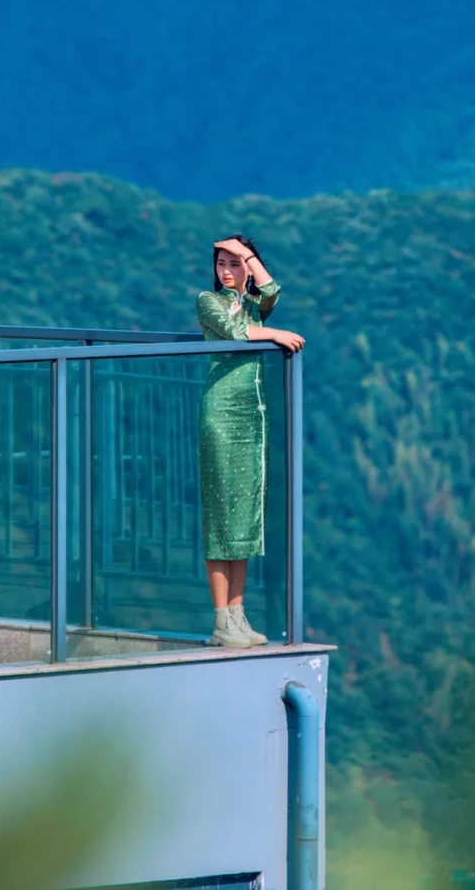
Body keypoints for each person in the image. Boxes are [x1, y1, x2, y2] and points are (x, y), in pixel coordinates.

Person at [197, 235, 305, 648]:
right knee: (221, 514)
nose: (226, 269)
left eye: (234, 263)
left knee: (245, 514)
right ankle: (221, 620)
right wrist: (274, 333)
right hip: (221, 415)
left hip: (252, 415)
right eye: (221, 262)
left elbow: (272, 290)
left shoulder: (253, 303)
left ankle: (239, 616)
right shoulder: (209, 301)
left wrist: (250, 257)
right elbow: (234, 331)